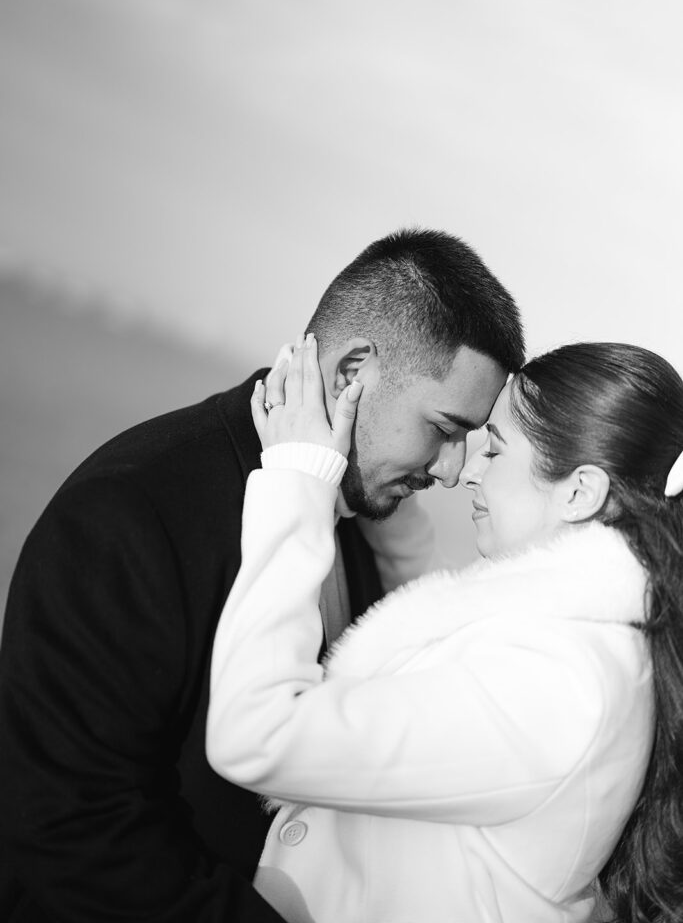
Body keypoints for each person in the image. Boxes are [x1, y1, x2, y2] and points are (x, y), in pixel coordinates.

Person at [0, 228, 524, 922]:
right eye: (444, 427)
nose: (452, 470)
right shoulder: (132, 509)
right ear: (350, 372)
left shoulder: (357, 519)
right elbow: (67, 833)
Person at [207, 337, 683, 923]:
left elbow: (258, 734)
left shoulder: (559, 681)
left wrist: (298, 484)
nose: (466, 473)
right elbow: (438, 672)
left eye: (496, 451)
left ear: (580, 492)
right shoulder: (572, 642)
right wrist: (371, 491)